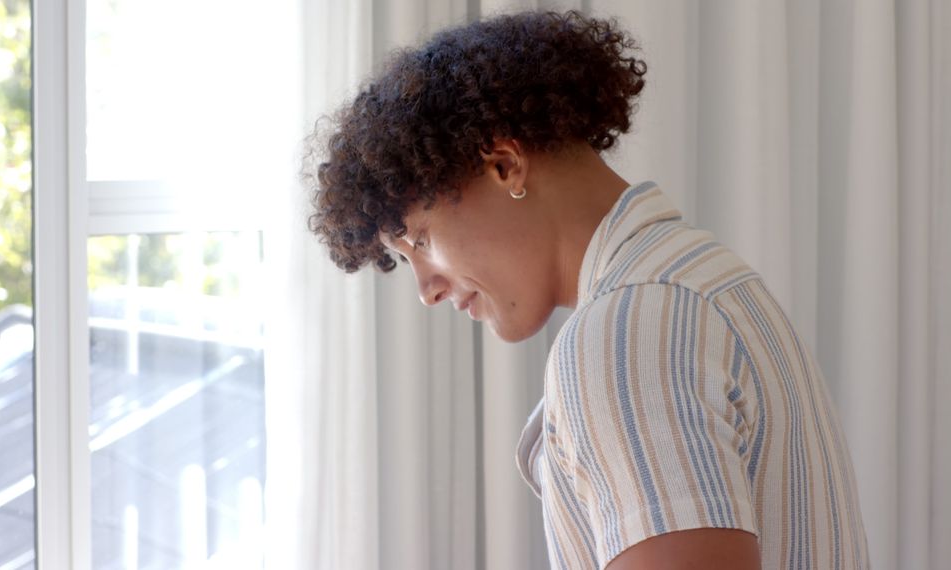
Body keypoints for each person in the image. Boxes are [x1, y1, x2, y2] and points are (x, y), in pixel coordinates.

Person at [306, 10, 870, 570]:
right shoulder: (707, 280)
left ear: (504, 165)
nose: (426, 290)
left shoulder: (626, 334)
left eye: (422, 239)